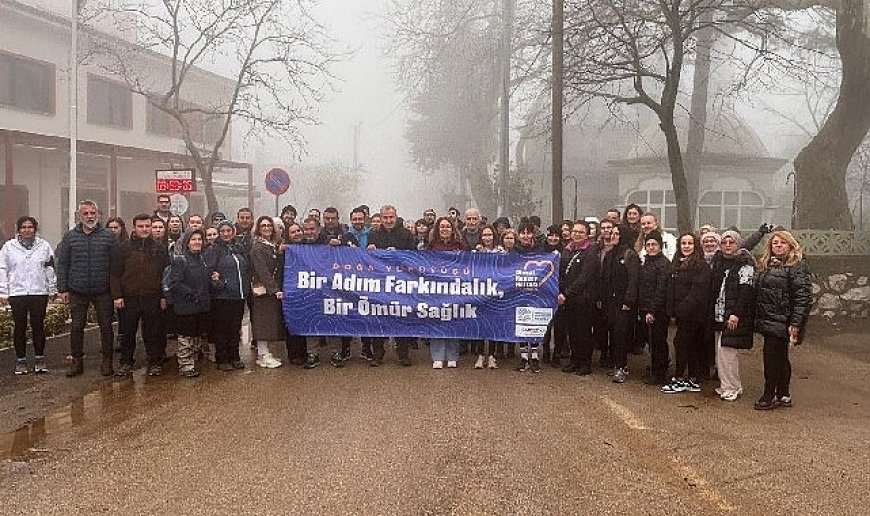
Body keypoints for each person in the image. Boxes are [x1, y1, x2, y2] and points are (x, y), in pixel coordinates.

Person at [56, 200, 118, 377]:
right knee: (76, 327)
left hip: (103, 290)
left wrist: (115, 290)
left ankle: (107, 361)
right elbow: (63, 264)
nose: (90, 217)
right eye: (86, 213)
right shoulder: (69, 237)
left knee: (106, 326)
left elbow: (115, 265)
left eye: (93, 213)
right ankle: (76, 361)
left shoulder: (108, 236)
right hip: (77, 290)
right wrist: (63, 289)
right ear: (79, 216)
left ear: (98, 214)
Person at [753, 230, 812, 410]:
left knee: (771, 357)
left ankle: (769, 394)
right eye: (775, 243)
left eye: (782, 242)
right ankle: (784, 393)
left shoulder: (796, 266)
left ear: (790, 245)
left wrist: (796, 323)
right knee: (780, 357)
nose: (778, 245)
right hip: (769, 317)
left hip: (783, 320)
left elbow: (803, 297)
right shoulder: (767, 264)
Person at [111, 214, 171, 377]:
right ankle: (126, 362)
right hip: (129, 297)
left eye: (147, 226)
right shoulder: (123, 248)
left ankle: (155, 362)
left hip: (152, 297)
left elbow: (166, 274)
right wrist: (117, 296)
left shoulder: (159, 249)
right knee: (127, 332)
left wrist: (164, 296)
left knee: (153, 332)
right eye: (141, 226)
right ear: (134, 227)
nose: (144, 229)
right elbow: (115, 274)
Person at [0, 217, 57, 375]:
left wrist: (52, 289)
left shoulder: (44, 246)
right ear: (18, 230)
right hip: (17, 293)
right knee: (20, 327)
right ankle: (21, 360)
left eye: (30, 227)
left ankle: (39, 359)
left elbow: (49, 268)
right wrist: (3, 292)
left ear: (35, 229)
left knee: (38, 325)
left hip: (38, 292)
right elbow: (2, 269)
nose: (27, 230)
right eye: (23, 227)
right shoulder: (8, 247)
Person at [366, 204, 417, 367]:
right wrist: (370, 250)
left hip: (401, 283)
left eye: (391, 217)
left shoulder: (406, 234)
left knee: (401, 318)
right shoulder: (373, 235)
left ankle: (403, 354)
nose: (388, 220)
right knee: (378, 318)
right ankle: (378, 354)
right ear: (380, 219)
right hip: (380, 283)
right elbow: (368, 261)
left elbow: (414, 257)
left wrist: (398, 253)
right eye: (385, 217)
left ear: (396, 217)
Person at [662, 233, 712, 394]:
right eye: (683, 243)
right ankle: (692, 377)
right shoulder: (676, 263)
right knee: (688, 345)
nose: (686, 246)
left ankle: (679, 378)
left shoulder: (701, 265)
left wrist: (683, 308)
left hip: (693, 314)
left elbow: (698, 291)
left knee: (680, 343)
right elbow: (671, 287)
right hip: (680, 313)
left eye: (690, 243)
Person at [710, 230, 756, 401]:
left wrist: (736, 313)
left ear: (738, 244)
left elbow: (746, 291)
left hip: (733, 314)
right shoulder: (719, 261)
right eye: (724, 243)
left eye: (732, 242)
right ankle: (728, 385)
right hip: (719, 313)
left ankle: (731, 387)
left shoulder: (745, 264)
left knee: (727, 353)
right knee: (719, 353)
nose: (728, 246)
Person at [204, 220, 252, 372]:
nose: (226, 234)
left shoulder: (238, 249)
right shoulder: (213, 250)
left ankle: (234, 356)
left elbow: (246, 269)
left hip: (238, 296)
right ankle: (222, 358)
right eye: (223, 231)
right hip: (222, 297)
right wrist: (219, 284)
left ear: (233, 232)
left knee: (234, 328)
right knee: (221, 329)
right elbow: (209, 272)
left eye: (228, 231)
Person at [165, 229, 211, 378]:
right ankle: (185, 366)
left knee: (196, 335)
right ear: (187, 242)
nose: (197, 242)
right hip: (185, 306)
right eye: (193, 239)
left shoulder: (202, 259)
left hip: (200, 306)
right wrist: (191, 294)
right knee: (186, 337)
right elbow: (174, 283)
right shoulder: (180, 260)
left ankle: (193, 362)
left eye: (199, 239)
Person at [559, 221, 598, 376]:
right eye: (575, 231)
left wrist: (567, 293)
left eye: (581, 232)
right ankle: (574, 361)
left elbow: (584, 278)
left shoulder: (590, 252)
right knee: (572, 332)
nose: (577, 234)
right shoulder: (567, 250)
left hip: (583, 298)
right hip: (569, 300)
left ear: (587, 235)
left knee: (583, 332)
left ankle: (585, 363)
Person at [601, 225, 640, 383]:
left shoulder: (630, 255)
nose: (613, 236)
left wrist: (628, 301)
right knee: (612, 333)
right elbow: (605, 278)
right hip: (610, 301)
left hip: (623, 302)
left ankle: (621, 366)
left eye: (617, 233)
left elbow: (633, 280)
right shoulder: (610, 254)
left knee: (621, 335)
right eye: (612, 233)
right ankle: (615, 363)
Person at [427, 216, 465, 369]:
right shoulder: (431, 245)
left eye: (447, 227)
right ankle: (437, 356)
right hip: (436, 288)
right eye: (442, 227)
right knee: (437, 320)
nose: (444, 229)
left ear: (452, 229)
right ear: (437, 229)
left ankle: (452, 355)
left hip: (455, 288)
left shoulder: (460, 245)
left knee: (452, 320)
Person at [250, 216, 285, 369]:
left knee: (269, 321)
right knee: (262, 322)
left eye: (269, 225)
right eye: (263, 225)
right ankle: (263, 354)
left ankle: (265, 353)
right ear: (258, 228)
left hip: (270, 290)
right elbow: (262, 271)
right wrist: (274, 289)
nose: (266, 228)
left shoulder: (271, 245)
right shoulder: (257, 247)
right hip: (263, 291)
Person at [637, 231, 670, 385]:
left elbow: (661, 290)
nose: (651, 247)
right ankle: (655, 366)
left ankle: (660, 372)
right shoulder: (647, 262)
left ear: (660, 246)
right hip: (644, 307)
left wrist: (652, 310)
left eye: (654, 244)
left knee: (658, 341)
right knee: (650, 340)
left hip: (657, 311)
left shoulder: (663, 264)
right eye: (648, 245)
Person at [472, 225, 501, 369]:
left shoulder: (501, 252)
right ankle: (480, 356)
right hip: (479, 293)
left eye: (490, 235)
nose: (487, 238)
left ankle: (492, 356)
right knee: (480, 326)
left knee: (493, 326)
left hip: (495, 293)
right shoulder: (475, 252)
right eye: (484, 235)